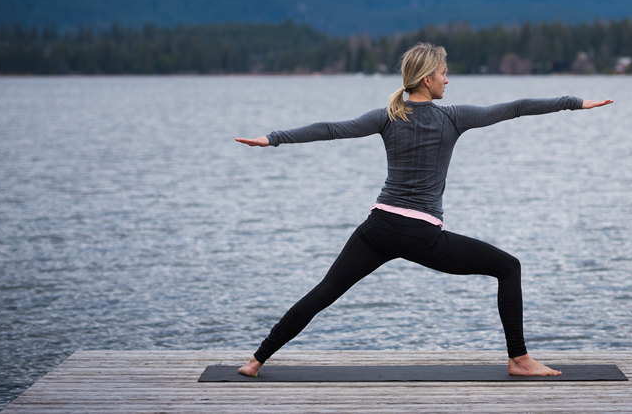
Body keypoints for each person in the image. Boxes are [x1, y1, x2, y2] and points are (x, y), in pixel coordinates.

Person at [235, 42, 613, 377]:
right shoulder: (451, 117)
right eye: (444, 74)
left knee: (325, 292)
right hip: (421, 235)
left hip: (378, 228)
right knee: (508, 267)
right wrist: (574, 102)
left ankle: (255, 361)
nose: (448, 81)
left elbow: (332, 129)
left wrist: (273, 139)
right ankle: (519, 359)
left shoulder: (387, 116)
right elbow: (514, 108)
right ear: (428, 78)